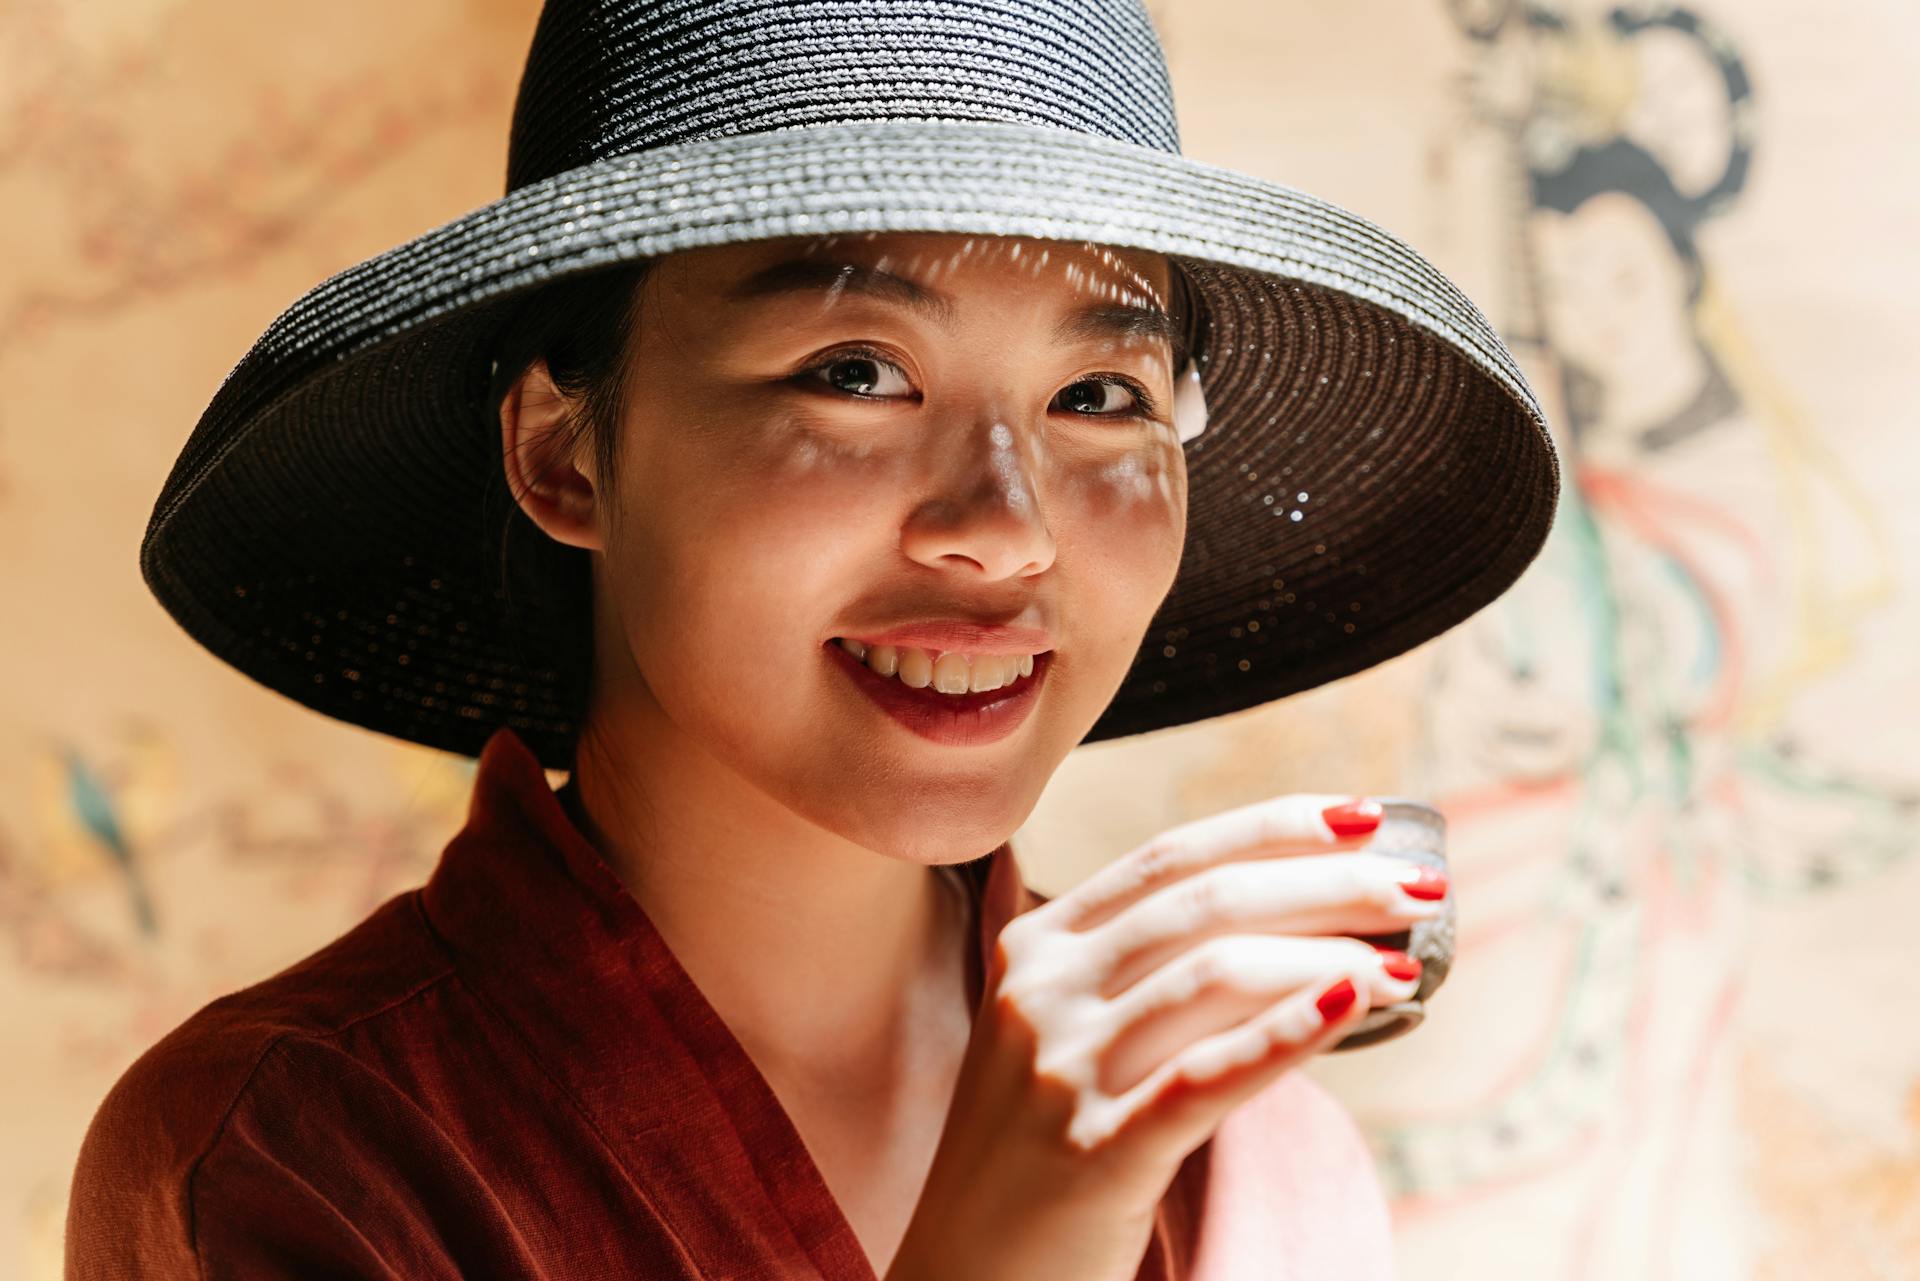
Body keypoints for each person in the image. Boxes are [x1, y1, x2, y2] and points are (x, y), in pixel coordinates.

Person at [65, 2, 1560, 1278]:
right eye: (857, 371)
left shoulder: (1260, 1168)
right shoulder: (302, 1156)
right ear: (565, 456)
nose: (1006, 524)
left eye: (1101, 395)